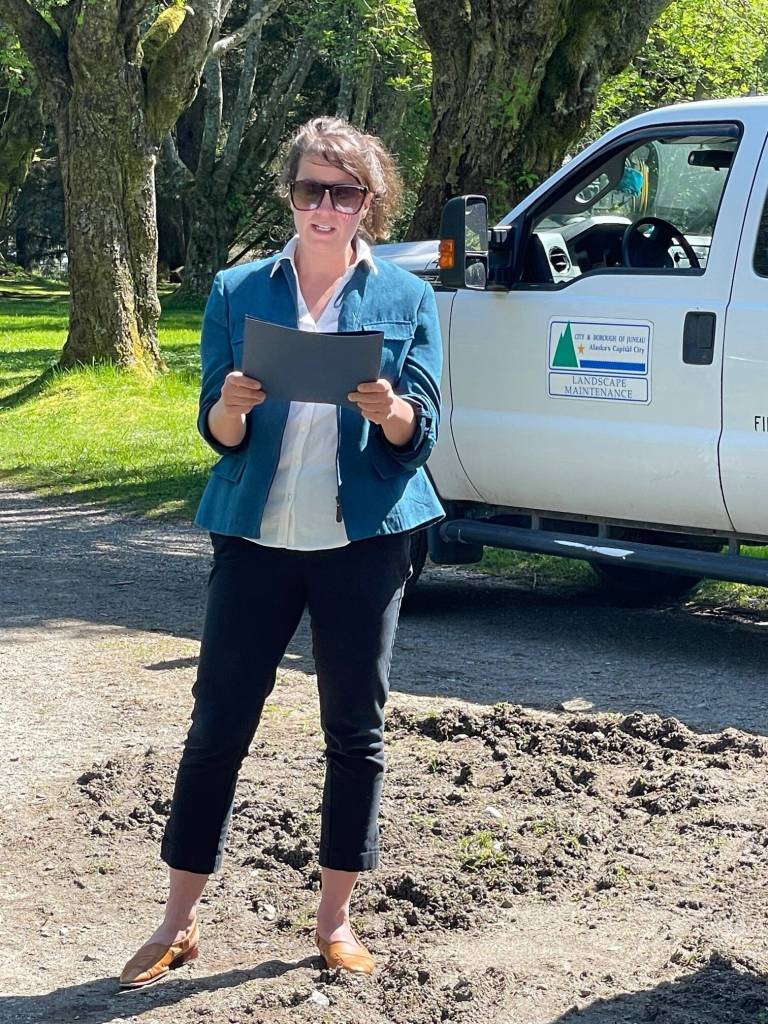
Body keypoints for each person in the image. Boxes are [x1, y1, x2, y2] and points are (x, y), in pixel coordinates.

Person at [119, 116, 444, 988]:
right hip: (256, 541)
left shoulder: (409, 299)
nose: (326, 206)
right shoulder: (237, 290)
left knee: (355, 732)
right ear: (291, 195)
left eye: (344, 192)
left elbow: (426, 428)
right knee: (218, 722)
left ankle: (335, 921)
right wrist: (231, 402)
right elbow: (217, 435)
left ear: (370, 204)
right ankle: (177, 921)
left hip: (363, 544)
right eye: (311, 189)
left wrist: (392, 413)